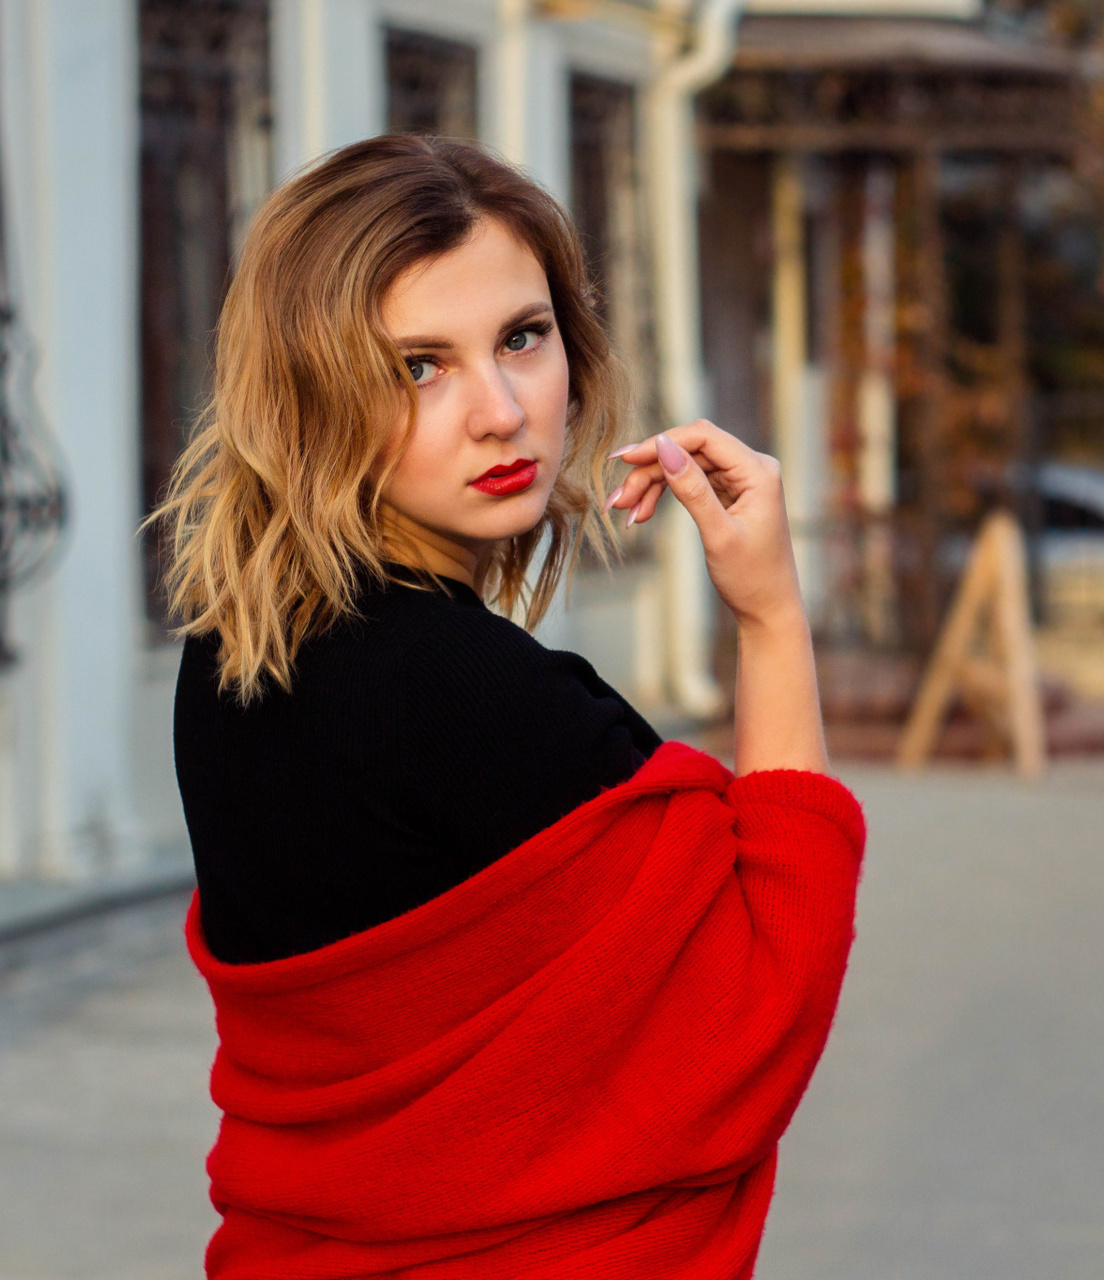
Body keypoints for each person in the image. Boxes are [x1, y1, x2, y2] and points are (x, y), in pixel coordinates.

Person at [158, 133, 864, 1280]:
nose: (499, 410)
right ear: (312, 391)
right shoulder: (480, 694)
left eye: (522, 338)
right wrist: (773, 615)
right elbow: (758, 1007)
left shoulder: (232, 651)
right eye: (419, 365)